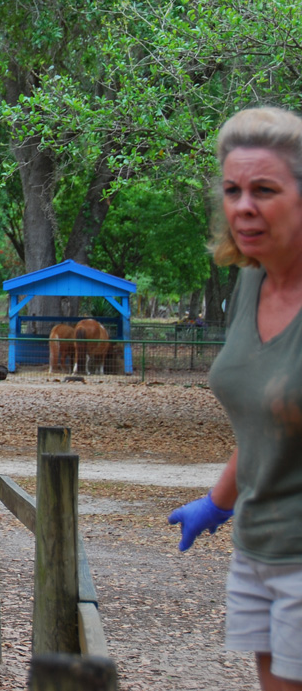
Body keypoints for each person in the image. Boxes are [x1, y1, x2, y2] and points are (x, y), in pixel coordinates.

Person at [168, 106, 302, 690]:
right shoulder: (252, 282)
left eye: (265, 189)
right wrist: (217, 503)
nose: (244, 205)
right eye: (232, 190)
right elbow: (268, 424)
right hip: (258, 547)